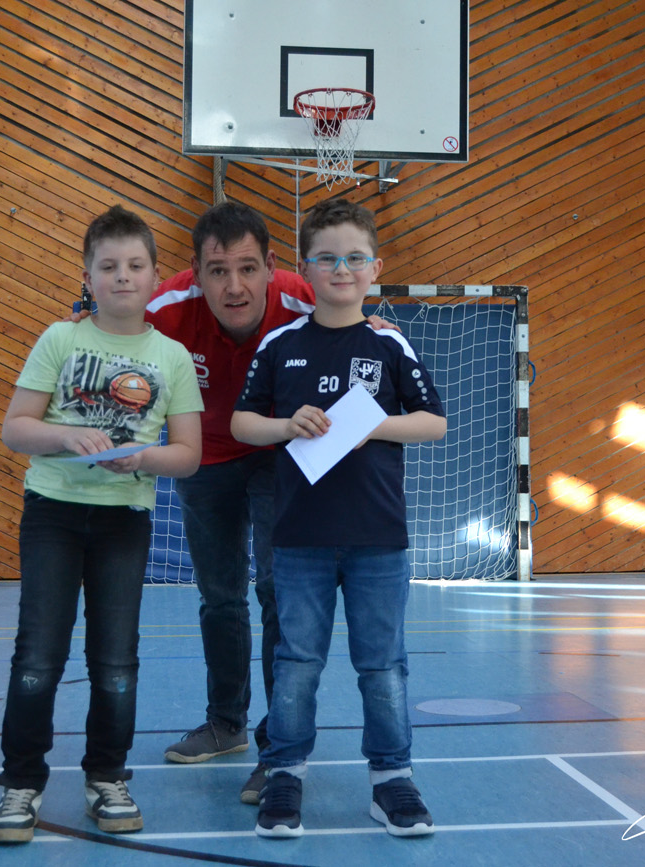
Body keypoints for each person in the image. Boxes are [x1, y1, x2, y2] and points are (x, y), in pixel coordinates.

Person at [0, 205, 203, 844]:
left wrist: (142, 458)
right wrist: (64, 436)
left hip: (123, 522)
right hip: (52, 515)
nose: (122, 276)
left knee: (115, 660)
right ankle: (21, 783)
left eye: (135, 265)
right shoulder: (60, 339)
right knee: (38, 654)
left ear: (156, 276)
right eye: (108, 266)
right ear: (88, 277)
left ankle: (107, 776)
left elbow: (188, 455)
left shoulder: (172, 356)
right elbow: (15, 429)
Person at [231, 198, 446, 839]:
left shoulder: (388, 342)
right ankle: (284, 774)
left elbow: (433, 422)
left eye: (355, 258)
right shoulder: (281, 344)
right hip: (300, 539)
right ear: (305, 269)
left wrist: (372, 426)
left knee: (382, 665)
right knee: (297, 662)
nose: (341, 269)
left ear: (375, 268)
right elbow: (242, 422)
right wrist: (284, 425)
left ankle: (391, 780)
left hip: (378, 538)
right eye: (327, 258)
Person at [145, 202, 315, 803]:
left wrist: (376, 328)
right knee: (219, 597)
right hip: (206, 457)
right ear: (196, 273)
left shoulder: (301, 301)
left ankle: (280, 745)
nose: (234, 286)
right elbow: (110, 334)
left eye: (247, 268)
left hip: (279, 452)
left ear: (270, 266)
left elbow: (352, 330)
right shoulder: (165, 309)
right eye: (218, 271)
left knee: (277, 590)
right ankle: (225, 723)